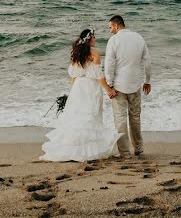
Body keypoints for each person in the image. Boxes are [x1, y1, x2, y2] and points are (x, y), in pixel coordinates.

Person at [40, 28, 122, 162]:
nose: (95, 39)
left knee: (76, 117)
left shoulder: (76, 53)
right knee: (90, 116)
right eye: (94, 37)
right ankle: (88, 151)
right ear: (89, 39)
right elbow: (99, 75)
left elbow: (73, 75)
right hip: (90, 87)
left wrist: (72, 91)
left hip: (78, 87)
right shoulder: (95, 53)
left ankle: (70, 150)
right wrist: (109, 90)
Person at [104, 15, 151, 158]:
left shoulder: (113, 40)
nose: (110, 30)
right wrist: (147, 81)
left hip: (118, 85)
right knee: (135, 117)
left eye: (110, 27)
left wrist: (109, 85)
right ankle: (139, 148)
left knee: (120, 119)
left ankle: (125, 153)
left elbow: (109, 65)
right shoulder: (138, 38)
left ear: (116, 26)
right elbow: (147, 61)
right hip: (135, 84)